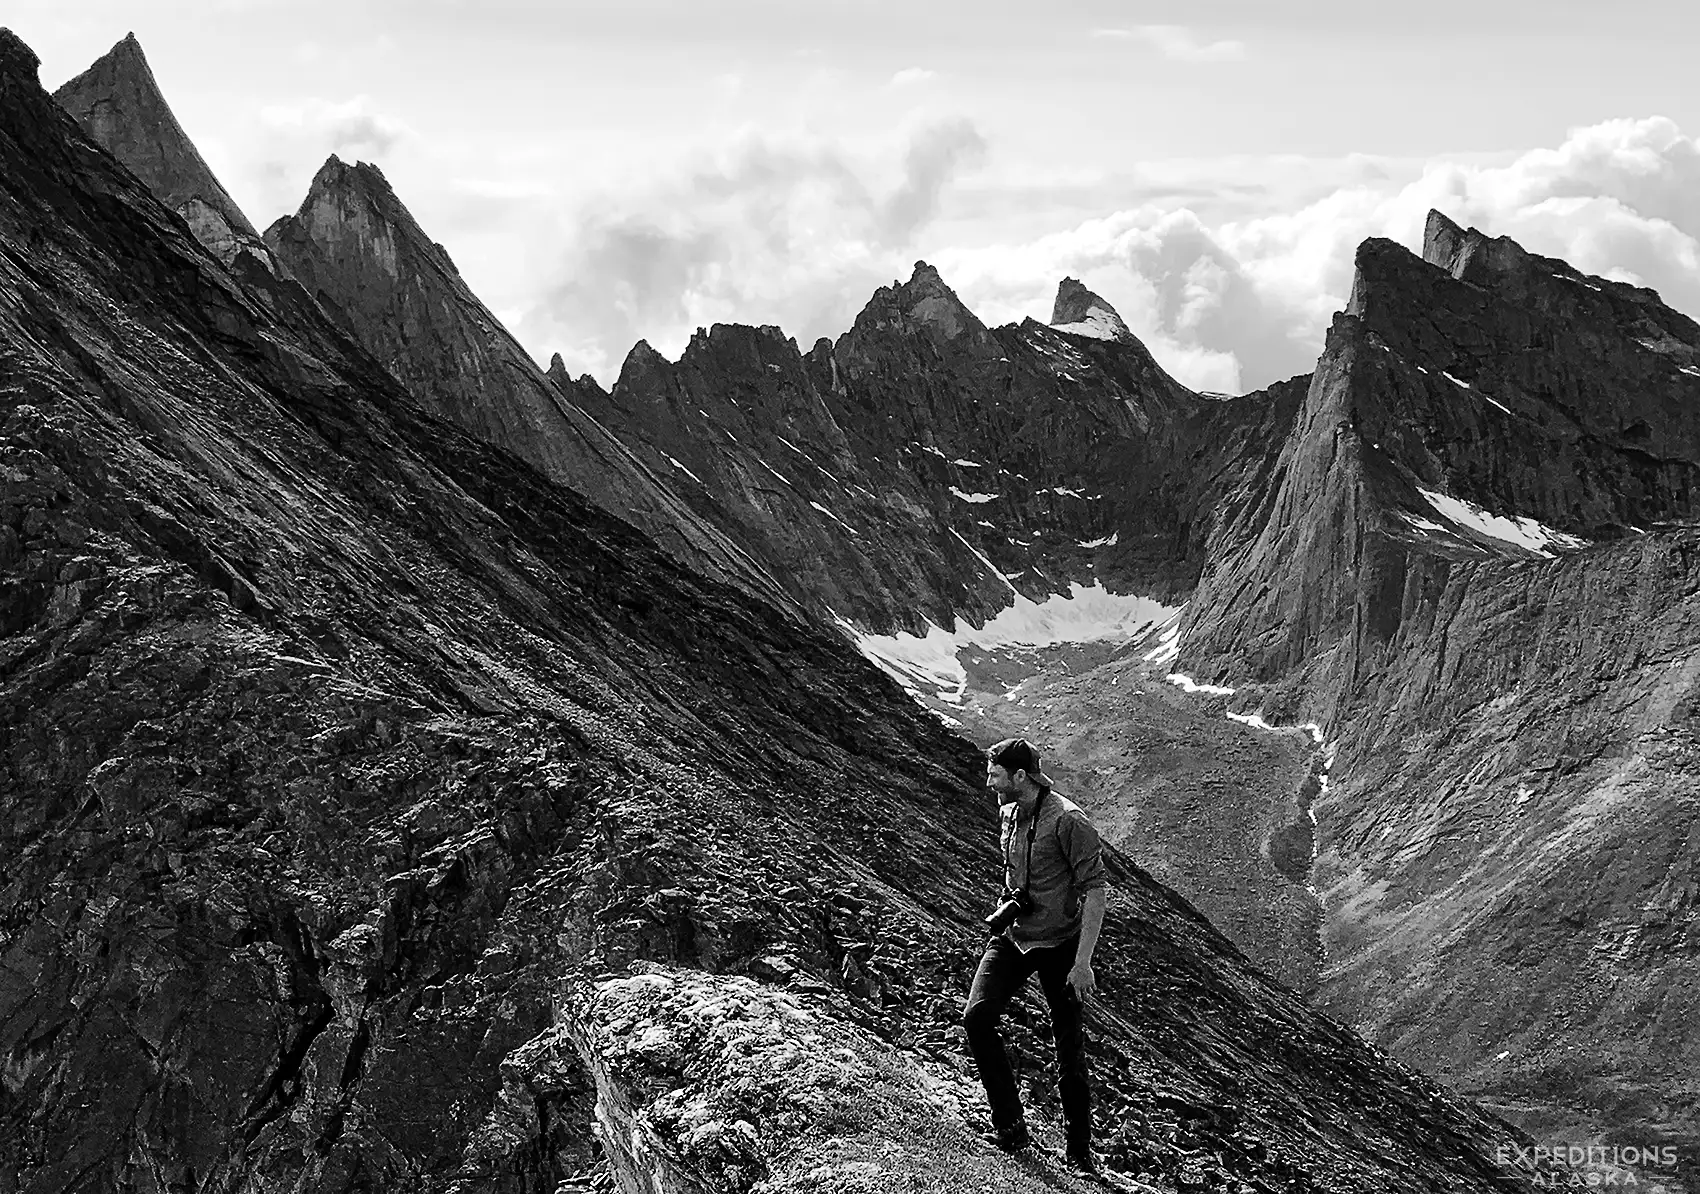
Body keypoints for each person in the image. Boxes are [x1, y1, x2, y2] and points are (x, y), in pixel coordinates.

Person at [963, 737, 1108, 1176]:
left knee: (1068, 1046)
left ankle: (1080, 1156)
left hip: (1061, 944)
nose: (989, 783)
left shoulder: (1068, 821)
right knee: (977, 1018)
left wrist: (1082, 963)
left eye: (995, 775)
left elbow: (1097, 890)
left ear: (1020, 776)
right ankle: (1011, 1128)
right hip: (1014, 935)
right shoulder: (1007, 812)